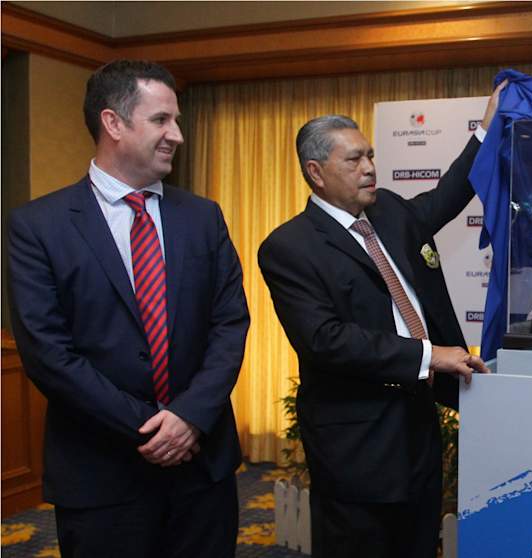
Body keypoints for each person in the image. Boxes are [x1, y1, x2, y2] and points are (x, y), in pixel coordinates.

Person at [6, 60, 250, 557]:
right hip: (101, 475)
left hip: (201, 468)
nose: (177, 135)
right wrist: (152, 428)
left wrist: (187, 417)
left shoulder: (203, 217)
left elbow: (230, 323)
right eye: (161, 120)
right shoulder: (38, 226)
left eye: (175, 120)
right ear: (113, 123)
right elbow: (48, 353)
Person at [258, 81, 504, 558]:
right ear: (316, 172)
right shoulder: (290, 248)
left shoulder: (388, 209)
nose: (370, 167)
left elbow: (448, 195)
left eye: (369, 155)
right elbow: (325, 340)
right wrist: (433, 355)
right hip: (356, 443)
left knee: (417, 543)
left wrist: (485, 130)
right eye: (353, 160)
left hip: (416, 426)